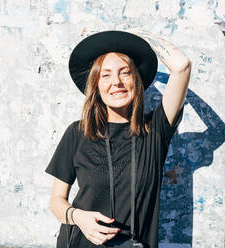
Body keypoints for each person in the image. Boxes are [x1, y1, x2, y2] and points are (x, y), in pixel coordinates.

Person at [45, 30, 191, 248]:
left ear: (136, 81)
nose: (116, 82)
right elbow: (56, 202)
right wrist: (79, 218)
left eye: (125, 73)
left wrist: (139, 37)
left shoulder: (155, 131)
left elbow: (181, 66)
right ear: (96, 86)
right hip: (79, 242)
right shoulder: (77, 132)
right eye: (106, 75)